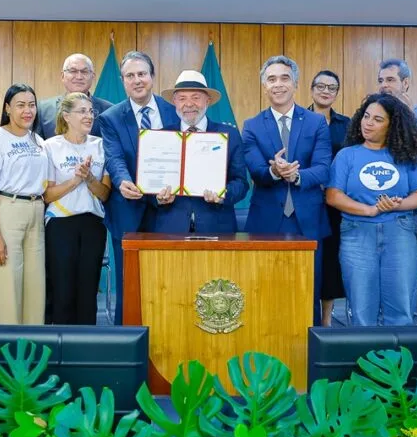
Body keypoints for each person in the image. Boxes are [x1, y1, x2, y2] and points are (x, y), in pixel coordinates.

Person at [242, 55, 332, 326]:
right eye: (271, 79)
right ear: (264, 86)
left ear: (295, 84)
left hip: (308, 220)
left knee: (308, 291)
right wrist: (273, 171)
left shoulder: (316, 123)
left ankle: (310, 351)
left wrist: (296, 175)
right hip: (266, 220)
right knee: (264, 290)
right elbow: (256, 169)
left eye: (284, 78)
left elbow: (324, 168)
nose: (278, 84)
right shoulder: (252, 125)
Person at [326, 93, 417, 326]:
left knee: (401, 310)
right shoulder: (347, 155)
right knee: (361, 312)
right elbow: (333, 196)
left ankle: (398, 363)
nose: (368, 123)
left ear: (393, 126)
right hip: (356, 232)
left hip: (400, 231)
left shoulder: (406, 155)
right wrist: (370, 210)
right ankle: (364, 362)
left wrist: (398, 204)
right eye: (366, 116)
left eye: (378, 119)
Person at [97, 51, 179, 324]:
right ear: (123, 81)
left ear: (152, 77)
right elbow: (114, 157)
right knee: (127, 282)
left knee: (166, 280)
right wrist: (122, 182)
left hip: (169, 209)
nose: (137, 80)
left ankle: (164, 338)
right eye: (130, 76)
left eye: (142, 74)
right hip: (127, 208)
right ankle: (126, 342)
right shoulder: (110, 117)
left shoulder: (174, 111)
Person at [0, 83, 48, 325]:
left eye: (31, 105)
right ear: (8, 108)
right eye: (20, 105)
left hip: (36, 212)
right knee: (5, 289)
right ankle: (3, 356)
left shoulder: (38, 140)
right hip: (6, 210)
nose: (27, 110)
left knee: (34, 290)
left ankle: (29, 356)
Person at [377, 58, 417, 324]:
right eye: (380, 80)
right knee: (386, 266)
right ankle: (384, 318)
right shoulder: (376, 113)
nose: (384, 86)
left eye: (390, 80)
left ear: (405, 83)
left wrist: (410, 114)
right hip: (384, 204)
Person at [44, 93, 111, 325]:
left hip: (93, 225)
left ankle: (86, 349)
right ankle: (62, 350)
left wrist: (90, 178)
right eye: (82, 111)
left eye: (91, 111)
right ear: (66, 116)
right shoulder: (51, 146)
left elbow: (105, 194)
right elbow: (47, 195)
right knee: (62, 291)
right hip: (60, 224)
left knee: (88, 292)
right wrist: (75, 180)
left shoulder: (101, 146)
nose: (89, 116)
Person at [153, 70, 249, 233]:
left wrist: (223, 194)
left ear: (208, 100)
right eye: (182, 98)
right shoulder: (162, 136)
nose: (189, 104)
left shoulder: (229, 135)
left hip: (217, 228)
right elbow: (150, 183)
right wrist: (158, 198)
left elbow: (241, 182)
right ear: (175, 102)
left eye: (196, 97)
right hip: (171, 229)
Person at [307, 69, 350, 326]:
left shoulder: (346, 126)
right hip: (304, 198)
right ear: (311, 89)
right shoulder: (297, 119)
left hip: (334, 204)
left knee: (330, 261)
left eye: (331, 88)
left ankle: (326, 320)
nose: (325, 91)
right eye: (320, 86)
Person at [35, 53, 112, 139]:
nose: (79, 77)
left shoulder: (109, 110)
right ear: (62, 76)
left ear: (93, 76)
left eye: (84, 71)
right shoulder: (43, 109)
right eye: (73, 71)